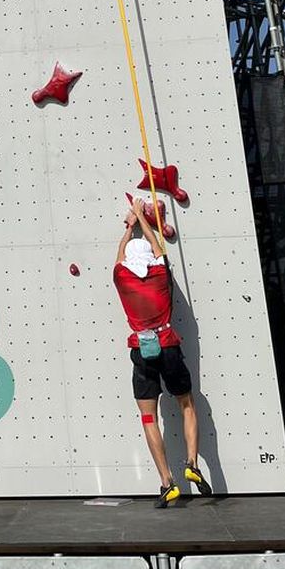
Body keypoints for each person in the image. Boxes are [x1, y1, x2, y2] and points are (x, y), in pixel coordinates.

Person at [113, 196, 212, 507]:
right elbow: (157, 248)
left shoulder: (122, 277)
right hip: (168, 344)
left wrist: (129, 227)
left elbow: (118, 258)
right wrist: (143, 218)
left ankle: (167, 482)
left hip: (141, 350)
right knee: (186, 404)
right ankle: (192, 464)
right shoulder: (158, 273)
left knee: (148, 418)